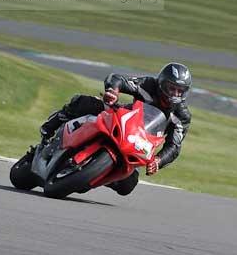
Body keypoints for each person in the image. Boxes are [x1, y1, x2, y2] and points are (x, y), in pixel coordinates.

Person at [39, 62, 192, 196]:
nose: (175, 94)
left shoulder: (182, 116)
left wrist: (158, 161)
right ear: (161, 83)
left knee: (128, 185)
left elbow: (174, 146)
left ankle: (98, 174)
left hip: (139, 142)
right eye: (171, 88)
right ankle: (50, 127)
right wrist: (113, 91)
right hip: (124, 121)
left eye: (180, 91)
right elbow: (118, 79)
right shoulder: (148, 84)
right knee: (85, 102)